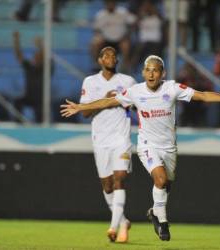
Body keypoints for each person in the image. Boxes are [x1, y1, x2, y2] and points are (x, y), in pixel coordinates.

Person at [60, 55, 220, 241]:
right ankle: (163, 222)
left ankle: (154, 211)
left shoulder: (172, 88)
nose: (151, 73)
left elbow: (202, 96)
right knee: (160, 179)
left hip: (169, 147)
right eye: (147, 70)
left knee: (165, 185)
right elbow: (109, 101)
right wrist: (80, 107)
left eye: (155, 70)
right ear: (143, 73)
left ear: (162, 73)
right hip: (147, 145)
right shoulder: (135, 91)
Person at [79, 46, 136, 243]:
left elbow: (137, 105)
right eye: (107, 55)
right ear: (100, 61)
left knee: (119, 178)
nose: (111, 57)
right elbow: (85, 112)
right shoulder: (90, 82)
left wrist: (122, 99)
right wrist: (106, 99)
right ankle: (123, 221)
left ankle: (113, 227)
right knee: (107, 186)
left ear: (117, 60)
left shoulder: (127, 81)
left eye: (114, 55)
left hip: (121, 139)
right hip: (100, 140)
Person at [12, 31, 53, 123]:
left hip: (41, 99)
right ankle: (18, 123)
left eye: (38, 57)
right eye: (34, 57)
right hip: (29, 97)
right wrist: (16, 40)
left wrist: (41, 45)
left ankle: (41, 125)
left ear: (42, 59)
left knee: (40, 117)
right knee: (17, 101)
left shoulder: (46, 69)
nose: (34, 59)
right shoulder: (29, 67)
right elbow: (19, 55)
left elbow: (48, 56)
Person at [89, 0, 136, 73]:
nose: (110, 5)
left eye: (112, 3)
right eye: (108, 3)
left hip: (120, 40)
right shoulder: (100, 15)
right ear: (105, 4)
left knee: (126, 45)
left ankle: (125, 66)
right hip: (106, 40)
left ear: (115, 3)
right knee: (95, 42)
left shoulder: (123, 12)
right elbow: (96, 30)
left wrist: (128, 34)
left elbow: (133, 22)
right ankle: (97, 64)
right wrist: (99, 36)